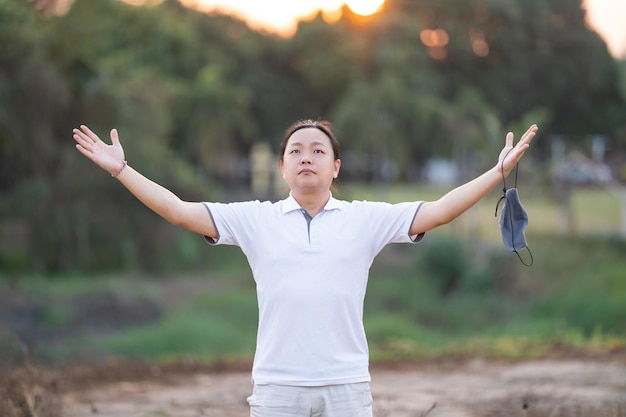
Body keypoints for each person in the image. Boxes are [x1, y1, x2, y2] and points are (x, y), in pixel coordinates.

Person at [72, 119, 538, 417]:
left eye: (317, 150)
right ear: (283, 167)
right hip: (277, 389)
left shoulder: (365, 218)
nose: (306, 157)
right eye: (295, 151)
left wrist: (498, 173)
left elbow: (439, 210)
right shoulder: (254, 218)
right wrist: (121, 170)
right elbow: (178, 210)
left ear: (335, 167)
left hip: (347, 389)